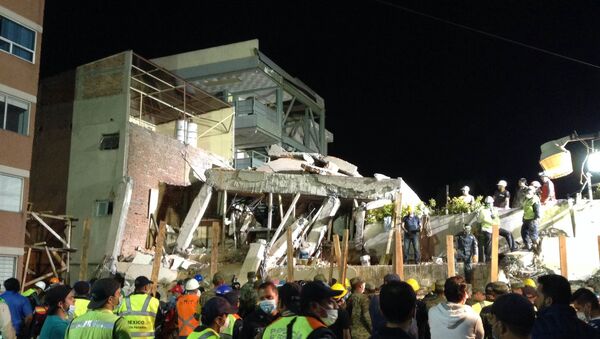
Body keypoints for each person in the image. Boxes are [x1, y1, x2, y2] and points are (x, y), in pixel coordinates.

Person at [261, 281, 339, 339]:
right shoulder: (318, 331)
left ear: (280, 303)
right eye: (329, 302)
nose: (337, 307)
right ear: (314, 306)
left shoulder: (268, 330)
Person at [532, 274, 598, 338]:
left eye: (538, 296)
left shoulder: (534, 330)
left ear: (548, 301)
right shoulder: (589, 331)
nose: (535, 301)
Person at [64, 278, 131, 338]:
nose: (121, 296)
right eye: (119, 293)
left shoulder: (73, 323)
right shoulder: (118, 323)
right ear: (110, 299)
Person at [478, 196, 499, 262]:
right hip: (486, 229)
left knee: (507, 233)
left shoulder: (494, 210)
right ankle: (488, 258)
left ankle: (513, 247)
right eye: (489, 203)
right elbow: (479, 221)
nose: (490, 204)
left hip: (495, 228)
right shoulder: (483, 211)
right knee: (489, 240)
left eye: (491, 203)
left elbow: (497, 219)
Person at [521, 186, 541, 252]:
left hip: (532, 220)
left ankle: (537, 249)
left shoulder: (534, 199)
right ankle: (528, 246)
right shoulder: (527, 199)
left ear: (533, 192)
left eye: (529, 191)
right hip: (526, 219)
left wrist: (535, 219)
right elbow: (526, 209)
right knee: (524, 233)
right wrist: (523, 217)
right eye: (528, 190)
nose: (528, 192)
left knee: (533, 235)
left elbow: (537, 211)